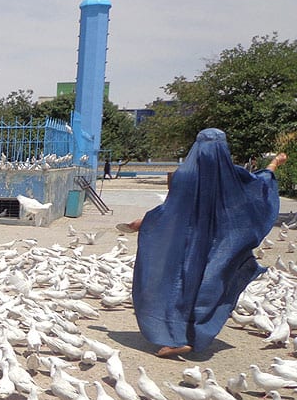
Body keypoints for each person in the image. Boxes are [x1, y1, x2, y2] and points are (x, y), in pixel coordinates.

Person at [123, 128, 286, 358]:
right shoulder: (233, 177)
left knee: (178, 289)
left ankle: (177, 337)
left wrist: (145, 223)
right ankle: (194, 335)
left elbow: (170, 212)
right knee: (209, 289)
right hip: (220, 248)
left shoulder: (185, 177)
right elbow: (259, 187)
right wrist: (274, 164)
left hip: (187, 247)